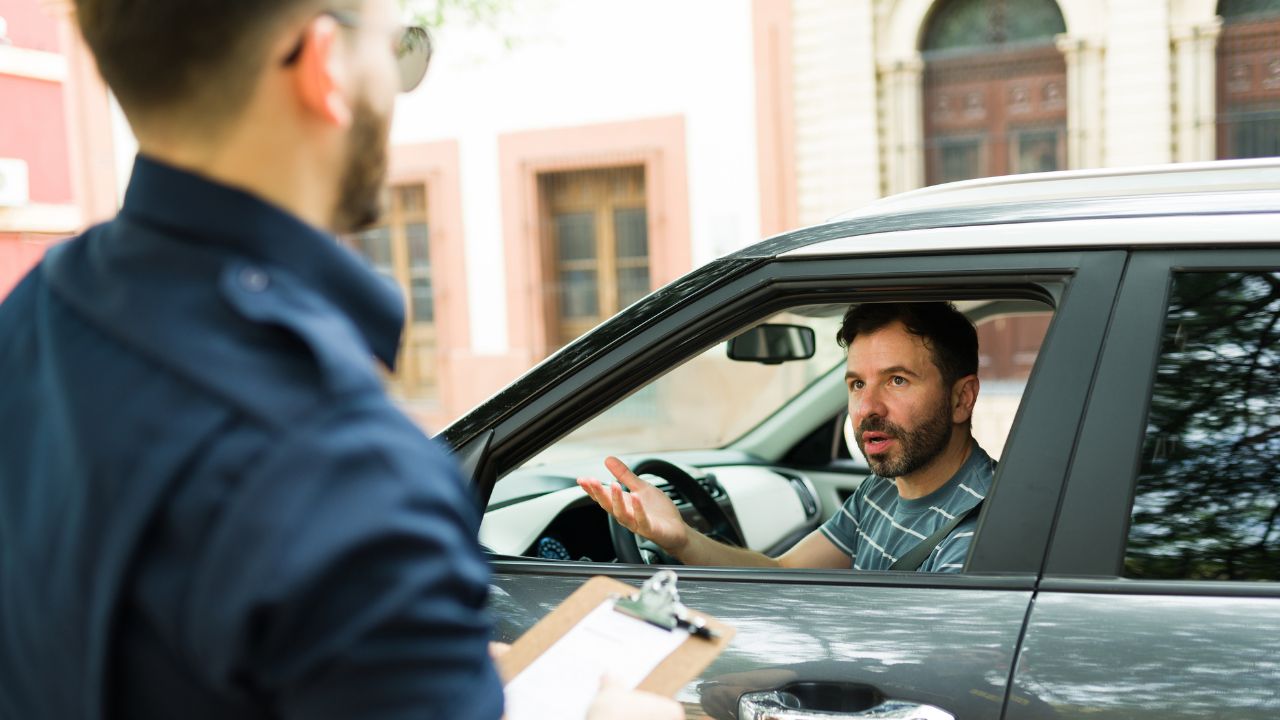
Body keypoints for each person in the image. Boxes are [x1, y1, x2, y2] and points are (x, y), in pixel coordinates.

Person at [0, 1, 678, 718]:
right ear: (325, 64)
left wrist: (416, 662)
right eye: (399, 49)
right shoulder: (346, 470)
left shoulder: (36, 313)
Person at [579, 302, 995, 573]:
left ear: (962, 398)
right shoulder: (881, 490)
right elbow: (781, 573)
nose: (868, 407)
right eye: (856, 385)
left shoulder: (976, 536)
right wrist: (681, 538)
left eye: (897, 380)